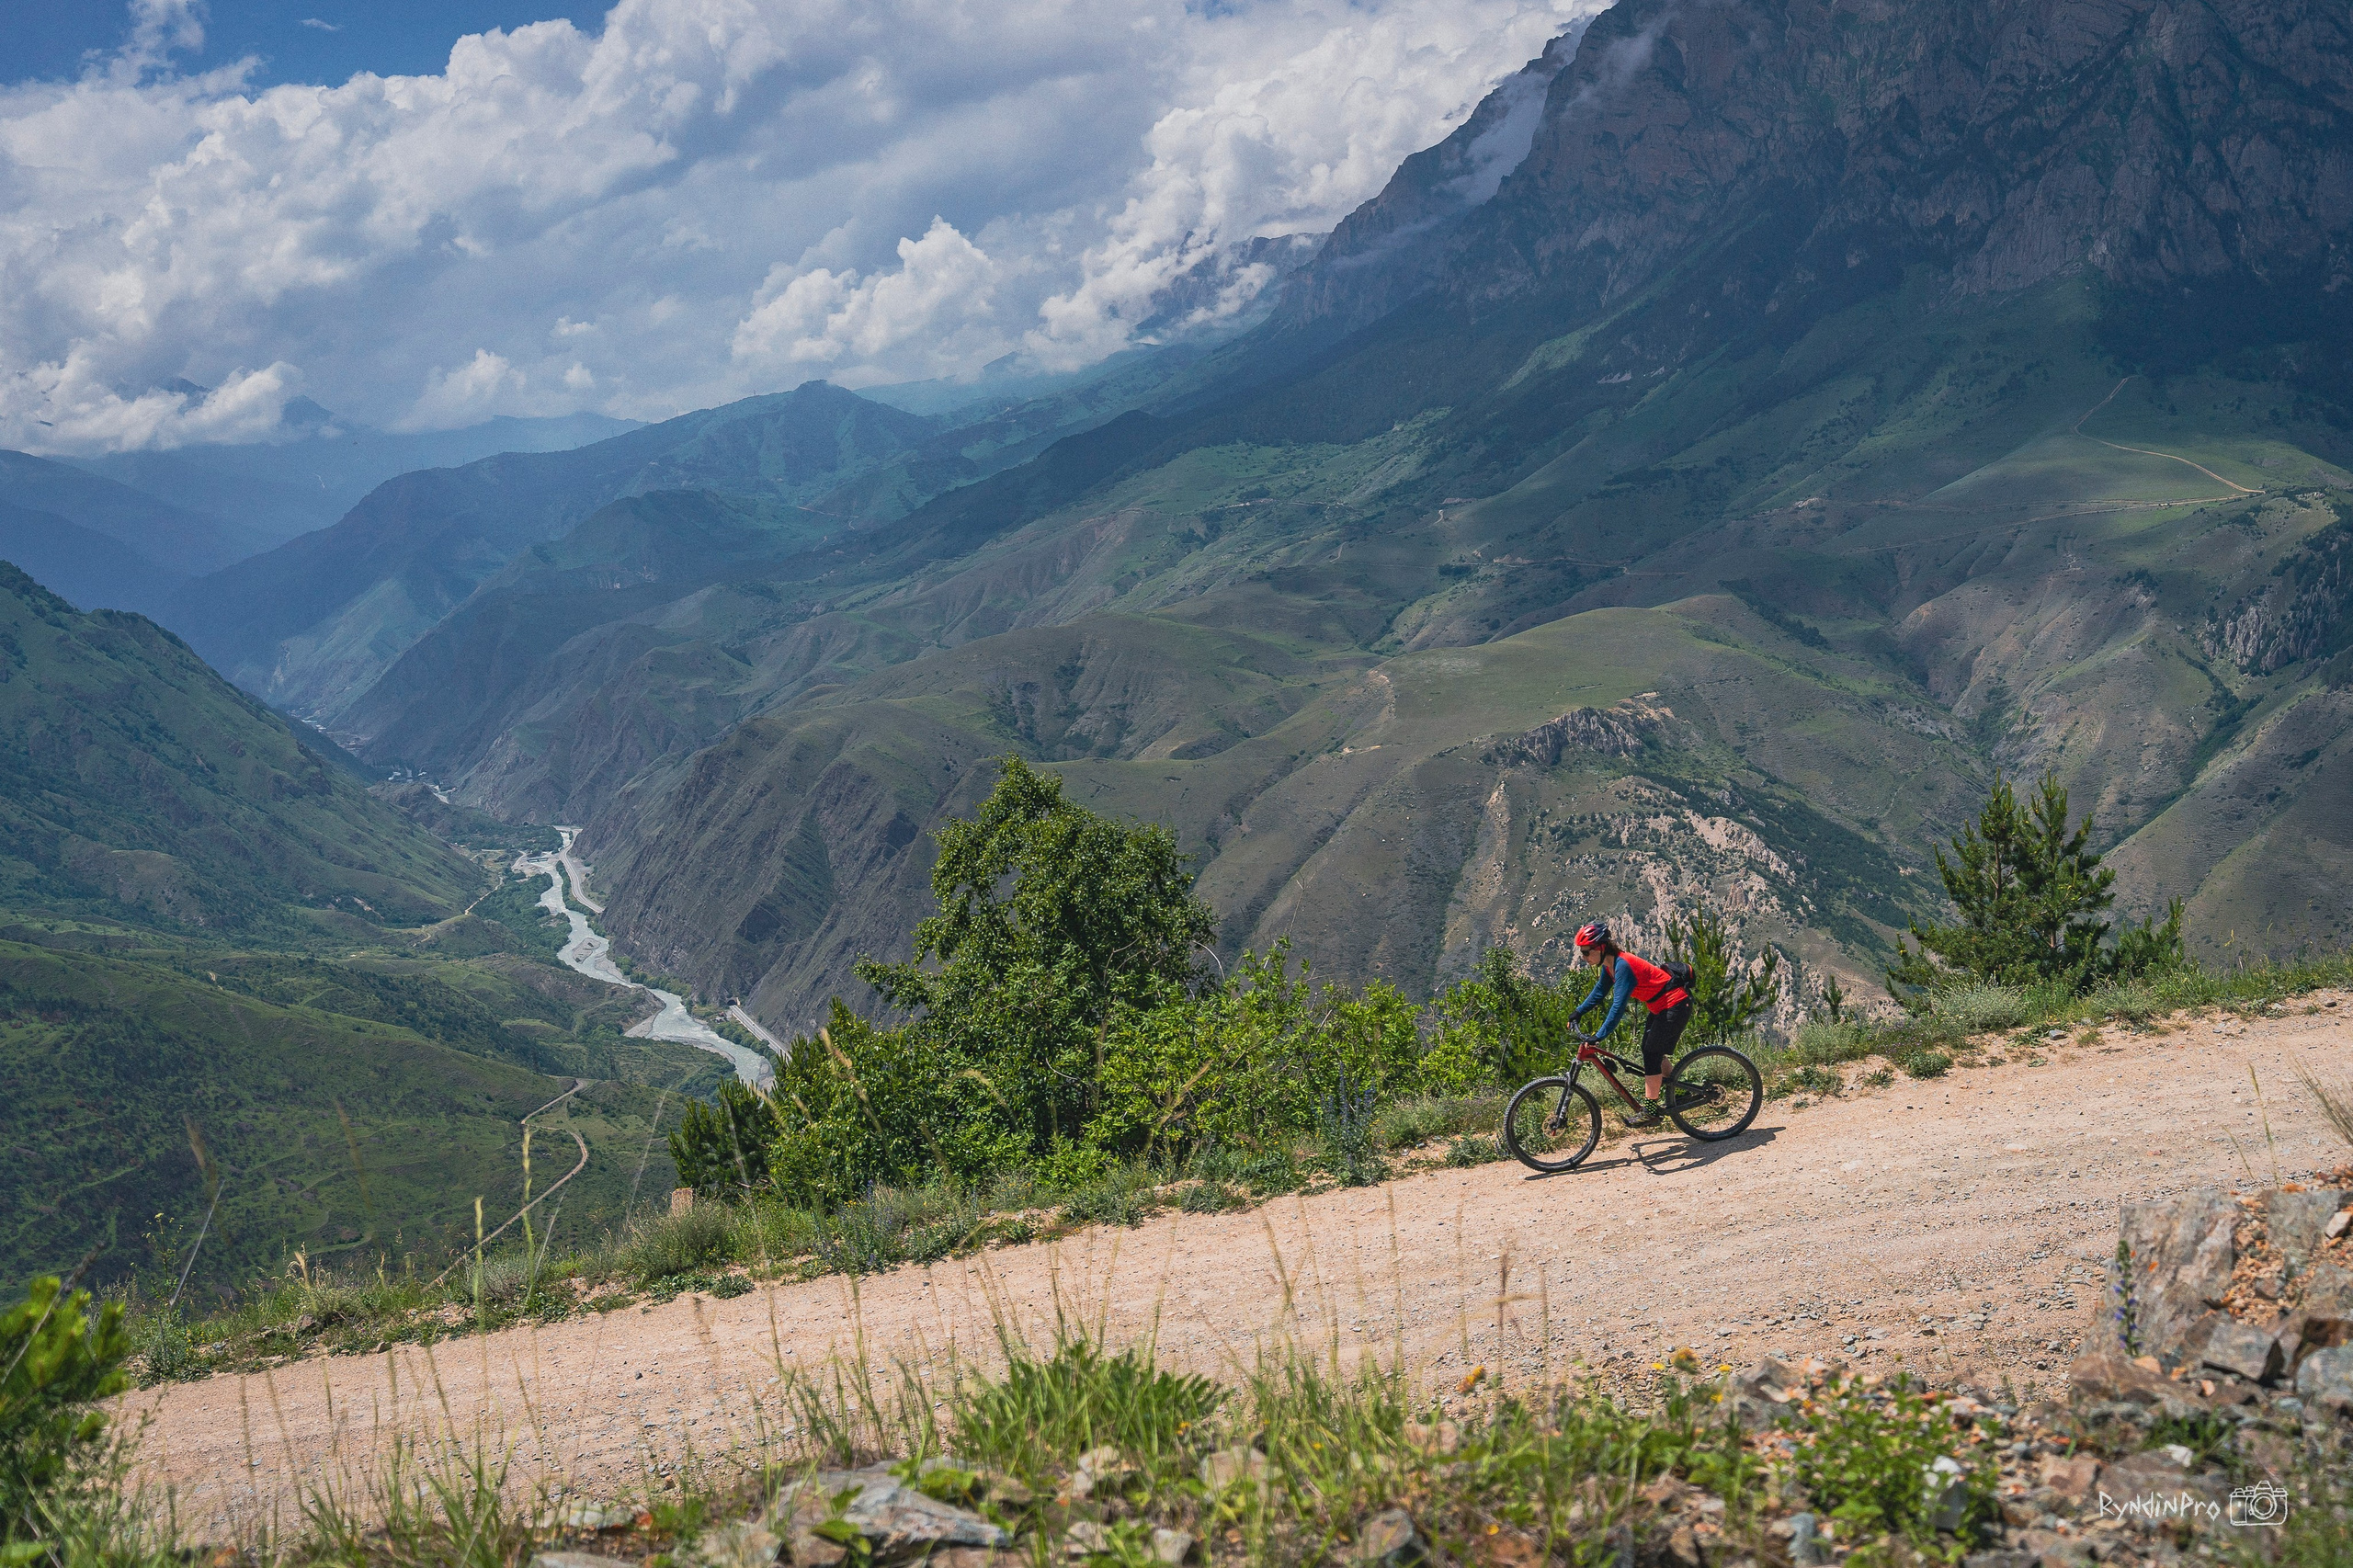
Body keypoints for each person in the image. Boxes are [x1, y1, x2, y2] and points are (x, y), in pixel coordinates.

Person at [1570, 921, 1693, 1122]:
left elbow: (1618, 1006)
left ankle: (1651, 1111)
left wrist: (1600, 1035)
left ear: (1601, 948)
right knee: (1650, 1049)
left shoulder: (1623, 966)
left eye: (1586, 952)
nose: (1583, 957)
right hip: (1660, 1007)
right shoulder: (1610, 965)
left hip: (1675, 1004)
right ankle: (1679, 1092)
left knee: (1651, 1055)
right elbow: (1600, 992)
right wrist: (1577, 1012)